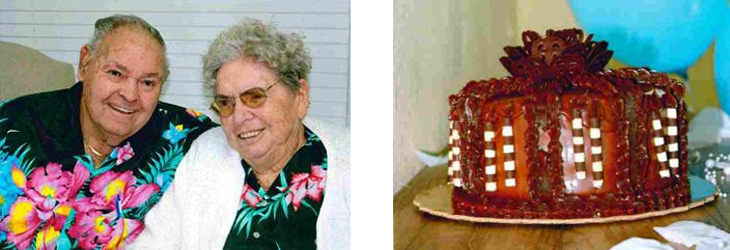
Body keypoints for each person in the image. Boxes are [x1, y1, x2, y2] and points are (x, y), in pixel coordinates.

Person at [0, 14, 216, 249]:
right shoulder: (12, 126)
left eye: (148, 83)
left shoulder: (186, 136)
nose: (130, 95)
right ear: (85, 65)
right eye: (116, 73)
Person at [133, 19, 350, 249]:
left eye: (255, 97)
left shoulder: (351, 164)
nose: (239, 116)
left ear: (300, 96)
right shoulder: (206, 154)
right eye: (225, 102)